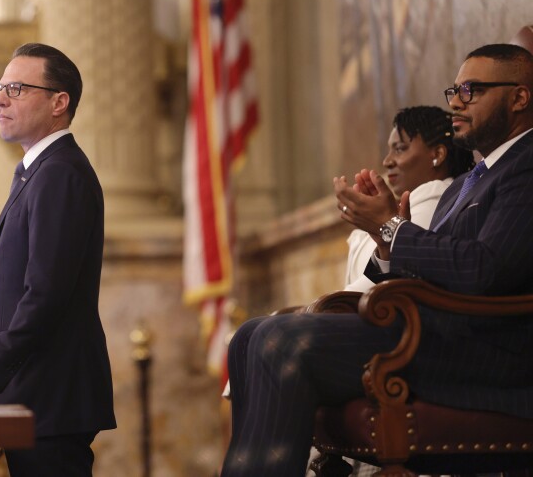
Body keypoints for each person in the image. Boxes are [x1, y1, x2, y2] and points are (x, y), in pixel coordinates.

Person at [220, 43, 533, 476]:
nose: (457, 101)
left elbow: (486, 269)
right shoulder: (467, 182)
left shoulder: (526, 166)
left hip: (487, 351)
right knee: (249, 335)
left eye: (472, 89)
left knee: (282, 341)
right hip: (436, 334)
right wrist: (384, 240)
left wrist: (392, 227)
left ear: (520, 97)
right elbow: (427, 276)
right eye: (454, 90)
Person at [0, 43, 116, 476]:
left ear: (60, 102)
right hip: (33, 392)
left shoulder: (60, 173)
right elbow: (13, 294)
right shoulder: (37, 171)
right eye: (1, 88)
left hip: (50, 396)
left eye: (17, 89)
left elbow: (45, 294)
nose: (0, 98)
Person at [344, 106, 474, 292]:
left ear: (437, 155)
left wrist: (324, 307)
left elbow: (390, 279)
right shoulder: (415, 200)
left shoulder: (436, 201)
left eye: (400, 149)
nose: (387, 161)